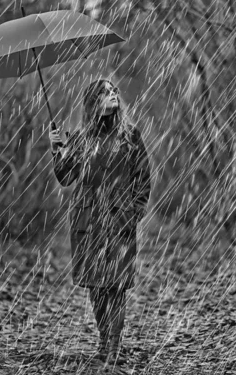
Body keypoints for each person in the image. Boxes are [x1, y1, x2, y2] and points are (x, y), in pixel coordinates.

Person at [48, 79, 151, 364]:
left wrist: (134, 212)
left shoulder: (130, 136)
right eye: (106, 92)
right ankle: (105, 339)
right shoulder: (81, 139)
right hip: (88, 219)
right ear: (94, 102)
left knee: (116, 285)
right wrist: (58, 151)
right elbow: (66, 177)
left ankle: (113, 348)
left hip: (119, 220)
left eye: (114, 90)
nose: (113, 93)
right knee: (97, 285)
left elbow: (143, 177)